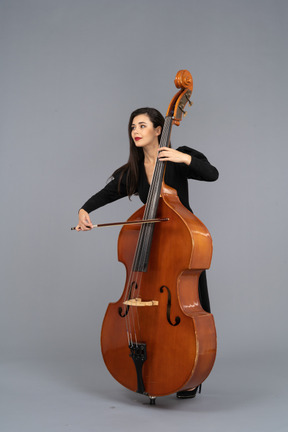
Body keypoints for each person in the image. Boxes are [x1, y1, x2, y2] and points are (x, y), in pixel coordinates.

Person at [76, 107, 219, 399]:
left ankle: (190, 374)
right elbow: (107, 193)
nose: (136, 131)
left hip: (180, 244)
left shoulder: (177, 158)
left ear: (158, 129)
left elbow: (212, 173)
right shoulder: (134, 169)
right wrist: (84, 210)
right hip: (149, 246)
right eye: (132, 127)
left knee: (190, 301)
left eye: (142, 125)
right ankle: (157, 366)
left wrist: (183, 157)